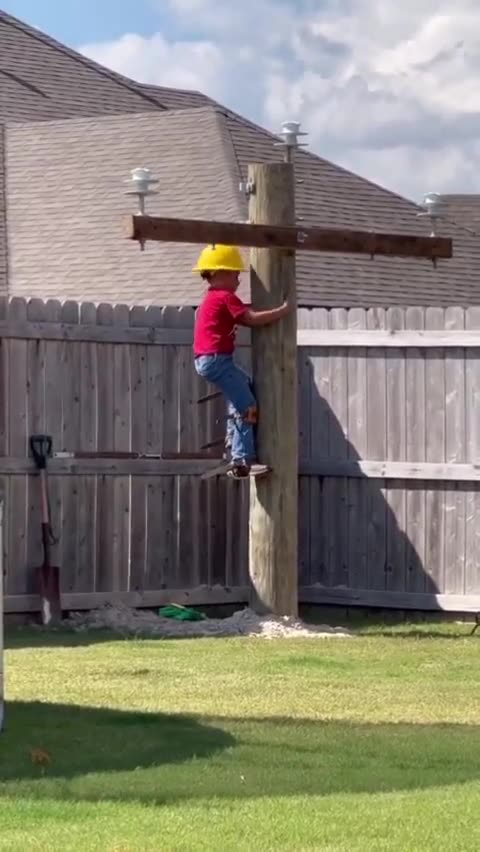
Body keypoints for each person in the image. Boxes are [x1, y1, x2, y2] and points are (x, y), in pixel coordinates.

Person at [192, 243, 293, 478]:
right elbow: (251, 318)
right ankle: (242, 459)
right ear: (219, 273)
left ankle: (231, 441)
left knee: (244, 386)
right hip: (217, 360)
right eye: (235, 274)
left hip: (208, 360)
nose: (238, 279)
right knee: (248, 406)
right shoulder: (226, 297)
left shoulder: (212, 299)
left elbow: (242, 311)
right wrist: (283, 310)